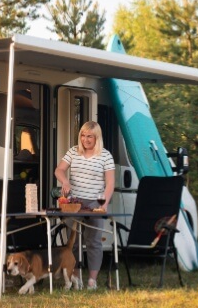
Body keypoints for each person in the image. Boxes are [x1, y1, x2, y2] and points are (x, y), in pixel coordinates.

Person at [54, 121, 115, 290]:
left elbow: (110, 183)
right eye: (83, 135)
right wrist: (65, 180)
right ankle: (76, 278)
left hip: (95, 202)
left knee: (93, 241)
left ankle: (92, 281)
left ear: (97, 137)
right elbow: (59, 170)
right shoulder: (73, 151)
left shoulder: (105, 155)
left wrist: (105, 203)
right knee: (73, 241)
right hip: (74, 203)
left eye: (90, 136)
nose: (86, 139)